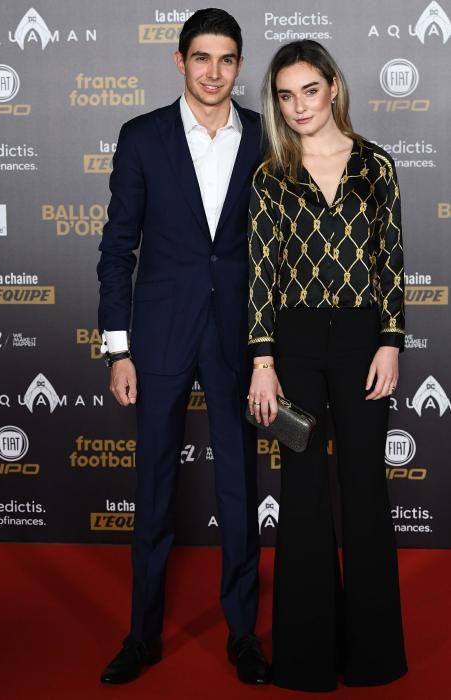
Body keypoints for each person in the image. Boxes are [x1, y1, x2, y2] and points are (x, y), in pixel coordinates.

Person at [97, 8, 270, 687]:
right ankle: (141, 636)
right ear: (179, 61)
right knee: (155, 489)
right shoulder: (141, 137)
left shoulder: (262, 136)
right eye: (201, 57)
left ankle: (242, 636)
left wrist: (269, 350)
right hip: (158, 336)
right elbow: (117, 248)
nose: (213, 71)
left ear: (238, 65)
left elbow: (275, 249)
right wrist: (118, 348)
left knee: (238, 486)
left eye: (227, 59)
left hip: (237, 334)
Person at [247, 40, 407, 692]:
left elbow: (389, 261)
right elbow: (261, 276)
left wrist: (390, 341)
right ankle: (304, 659)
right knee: (305, 495)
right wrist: (262, 361)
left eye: (308, 90)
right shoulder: (270, 176)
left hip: (365, 336)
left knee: (365, 488)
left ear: (332, 87)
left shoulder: (376, 167)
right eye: (285, 96)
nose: (297, 106)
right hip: (296, 342)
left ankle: (373, 656)